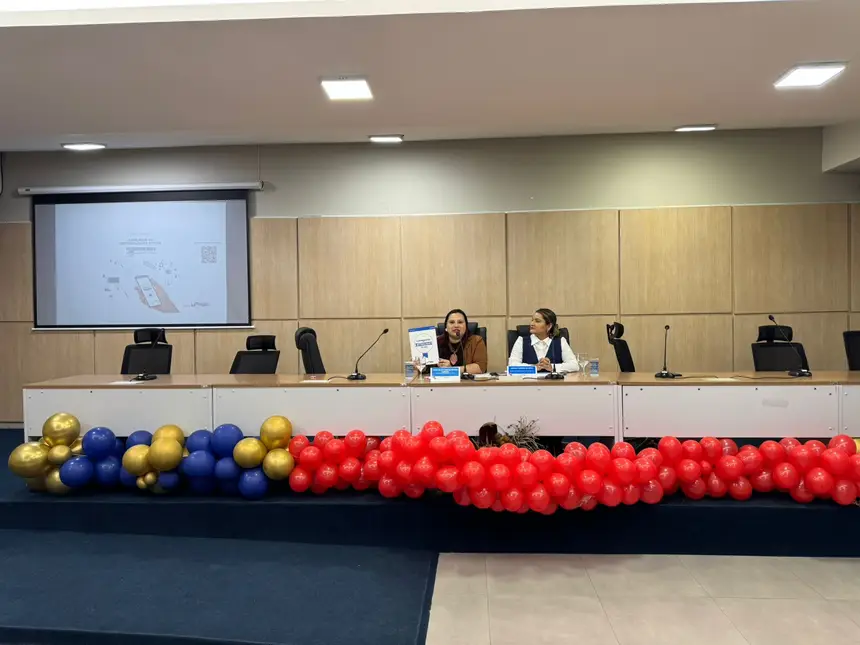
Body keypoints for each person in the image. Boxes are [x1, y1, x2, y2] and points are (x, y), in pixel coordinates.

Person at [508, 308, 578, 373]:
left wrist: (552, 367)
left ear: (549, 326)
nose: (532, 324)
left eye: (537, 321)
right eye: (532, 320)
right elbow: (512, 366)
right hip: (528, 382)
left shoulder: (560, 341)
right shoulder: (521, 341)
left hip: (554, 382)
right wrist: (534, 368)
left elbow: (574, 365)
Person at [435, 309, 488, 374]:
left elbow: (480, 367)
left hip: (466, 380)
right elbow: (427, 368)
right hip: (439, 380)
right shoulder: (436, 342)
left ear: (466, 326)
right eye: (452, 322)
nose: (456, 325)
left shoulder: (476, 341)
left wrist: (452, 370)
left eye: (460, 322)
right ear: (446, 326)